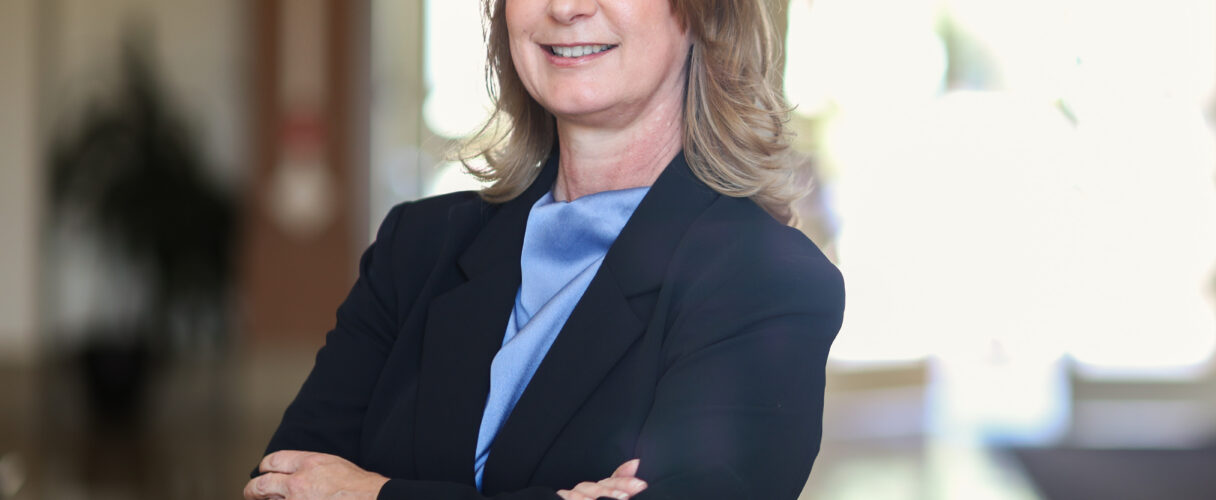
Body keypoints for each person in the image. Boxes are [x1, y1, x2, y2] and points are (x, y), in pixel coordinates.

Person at [242, 0, 844, 499]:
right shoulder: (415, 248)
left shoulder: (768, 281)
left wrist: (372, 493)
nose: (565, 7)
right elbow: (279, 486)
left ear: (704, 12)